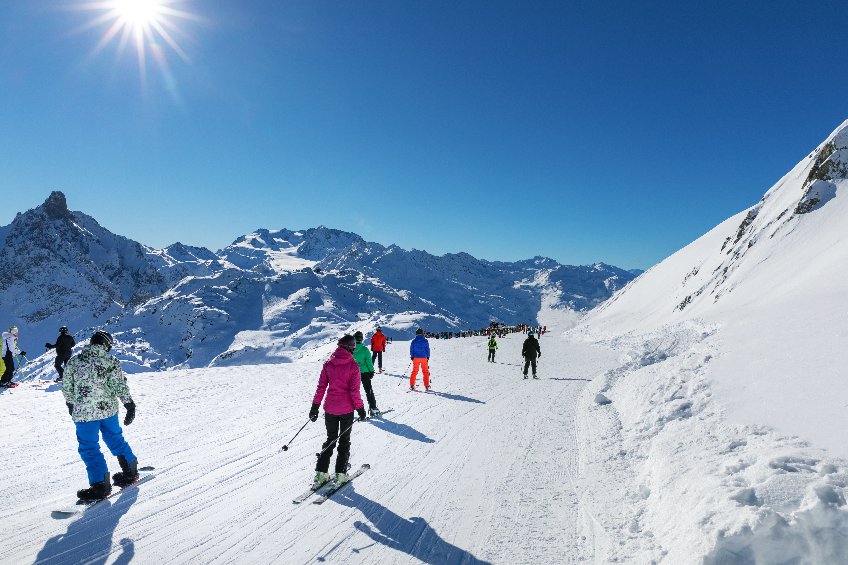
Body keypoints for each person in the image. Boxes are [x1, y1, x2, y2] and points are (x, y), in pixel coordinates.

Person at [63, 331, 139, 501]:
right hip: (108, 411)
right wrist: (129, 404)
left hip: (85, 414)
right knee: (115, 439)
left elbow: (67, 387)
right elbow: (119, 385)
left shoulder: (75, 361)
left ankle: (101, 485)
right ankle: (130, 471)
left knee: (89, 447)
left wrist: (71, 405)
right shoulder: (110, 361)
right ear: (106, 345)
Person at [309, 334, 366, 490]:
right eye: (353, 349)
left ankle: (321, 473)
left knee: (331, 439)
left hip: (330, 409)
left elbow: (321, 387)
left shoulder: (328, 363)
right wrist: (360, 409)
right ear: (350, 348)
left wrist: (315, 407)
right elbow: (354, 391)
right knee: (344, 441)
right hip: (347, 409)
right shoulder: (353, 366)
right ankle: (340, 474)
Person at [353, 331, 381, 417]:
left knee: (352, 391)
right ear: (361, 339)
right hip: (364, 372)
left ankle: (346, 410)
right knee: (368, 390)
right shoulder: (364, 349)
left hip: (353, 373)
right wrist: (371, 371)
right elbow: (369, 361)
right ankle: (373, 408)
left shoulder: (350, 349)